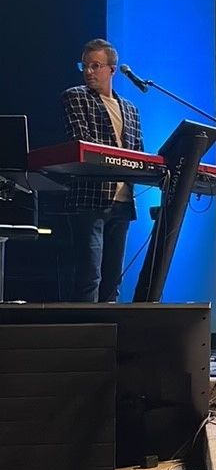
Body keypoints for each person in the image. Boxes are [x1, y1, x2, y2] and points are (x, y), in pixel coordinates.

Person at [61, 39, 143, 303]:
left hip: (122, 201)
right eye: (84, 66)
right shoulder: (76, 96)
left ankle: (110, 328)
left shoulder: (130, 109)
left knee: (113, 281)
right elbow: (83, 141)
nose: (88, 71)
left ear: (112, 69)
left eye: (95, 66)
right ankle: (85, 329)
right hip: (90, 199)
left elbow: (138, 152)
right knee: (89, 277)